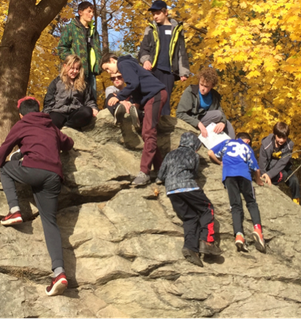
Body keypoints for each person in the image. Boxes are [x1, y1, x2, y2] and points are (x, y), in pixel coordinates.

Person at [0, 97, 74, 296]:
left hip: (32, 169)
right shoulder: (50, 125)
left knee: (6, 169)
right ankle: (59, 273)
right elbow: (68, 143)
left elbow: (5, 148)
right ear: (39, 110)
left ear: (20, 113)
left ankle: (14, 210)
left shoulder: (22, 124)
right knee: (50, 222)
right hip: (54, 176)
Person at [157, 132, 222, 267]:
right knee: (207, 208)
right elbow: (194, 172)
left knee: (190, 217)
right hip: (187, 186)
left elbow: (161, 175)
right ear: (193, 144)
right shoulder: (193, 154)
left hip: (171, 190)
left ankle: (191, 248)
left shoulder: (170, 154)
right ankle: (207, 241)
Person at [101, 53, 167, 186]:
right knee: (146, 133)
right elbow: (137, 86)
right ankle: (161, 170)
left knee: (148, 132)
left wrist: (119, 97)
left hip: (155, 95)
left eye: (107, 68)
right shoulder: (129, 64)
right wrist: (136, 103)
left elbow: (134, 83)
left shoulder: (123, 64)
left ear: (112, 60)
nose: (109, 72)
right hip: (150, 97)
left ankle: (145, 172)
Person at [208, 132, 265, 253]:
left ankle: (239, 235)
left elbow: (210, 152)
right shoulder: (247, 147)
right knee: (251, 202)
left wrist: (219, 162)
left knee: (235, 206)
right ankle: (257, 229)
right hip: (244, 174)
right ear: (246, 140)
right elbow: (256, 168)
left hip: (229, 175)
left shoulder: (227, 142)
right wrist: (258, 180)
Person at [139, 0, 190, 116]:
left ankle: (164, 129)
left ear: (165, 12)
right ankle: (146, 123)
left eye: (158, 13)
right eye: (153, 14)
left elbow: (181, 52)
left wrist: (183, 71)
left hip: (169, 72)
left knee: (165, 101)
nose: (155, 17)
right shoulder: (150, 29)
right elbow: (143, 48)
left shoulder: (177, 30)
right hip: (152, 69)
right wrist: (145, 60)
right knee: (151, 97)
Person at [58, 1, 102, 98]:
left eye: (93, 12)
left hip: (91, 73)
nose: (92, 14)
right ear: (80, 12)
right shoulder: (70, 28)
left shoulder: (94, 31)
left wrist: (98, 66)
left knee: (92, 100)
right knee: (76, 99)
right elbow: (62, 48)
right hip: (75, 72)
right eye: (89, 11)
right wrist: (72, 63)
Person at [176, 67, 235, 139]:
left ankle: (232, 144)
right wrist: (198, 123)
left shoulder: (214, 95)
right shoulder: (191, 91)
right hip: (192, 121)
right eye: (201, 84)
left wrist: (222, 123)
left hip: (208, 122)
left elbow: (221, 113)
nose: (202, 88)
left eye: (206, 86)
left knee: (227, 124)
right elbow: (180, 114)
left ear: (212, 86)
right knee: (218, 115)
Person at [43, 54, 98, 130]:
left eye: (77, 69)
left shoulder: (84, 84)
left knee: (87, 112)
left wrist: (93, 108)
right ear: (65, 66)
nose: (75, 71)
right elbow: (48, 102)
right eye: (72, 68)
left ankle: (67, 127)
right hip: (58, 112)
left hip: (75, 113)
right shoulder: (56, 82)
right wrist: (46, 115)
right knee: (53, 121)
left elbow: (89, 100)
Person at [259, 122, 301, 204]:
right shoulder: (266, 145)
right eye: (279, 137)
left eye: (284, 138)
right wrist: (264, 175)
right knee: (283, 175)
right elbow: (262, 162)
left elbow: (282, 163)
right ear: (275, 135)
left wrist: (270, 175)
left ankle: (296, 200)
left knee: (294, 180)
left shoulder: (289, 145)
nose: (281, 140)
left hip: (282, 167)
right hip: (268, 168)